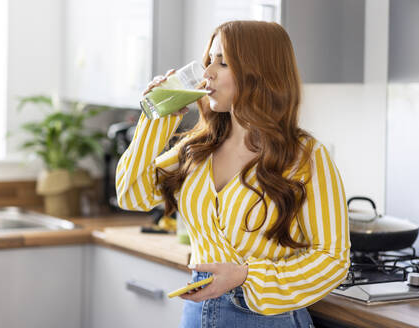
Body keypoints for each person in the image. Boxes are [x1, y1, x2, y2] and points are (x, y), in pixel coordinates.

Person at [116, 20, 349, 328]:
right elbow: (131, 195)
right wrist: (156, 118)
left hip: (268, 319)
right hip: (197, 315)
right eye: (208, 61)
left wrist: (247, 276)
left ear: (260, 73)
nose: (207, 73)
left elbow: (333, 260)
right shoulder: (196, 150)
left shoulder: (305, 157)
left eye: (223, 63)